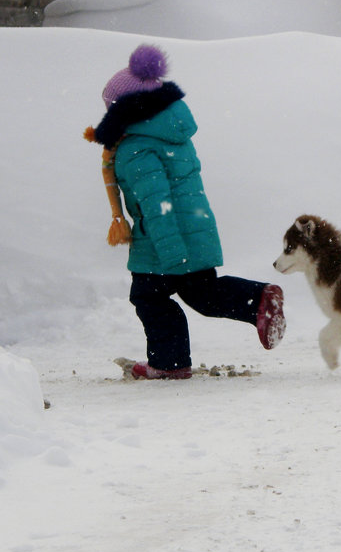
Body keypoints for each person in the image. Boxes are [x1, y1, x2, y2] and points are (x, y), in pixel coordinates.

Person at [86, 43, 285, 379]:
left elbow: (158, 204)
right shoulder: (171, 135)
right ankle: (257, 300)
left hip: (165, 243)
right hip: (193, 230)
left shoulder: (137, 148)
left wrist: (171, 253)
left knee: (149, 297)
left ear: (127, 112)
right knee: (202, 294)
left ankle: (170, 363)